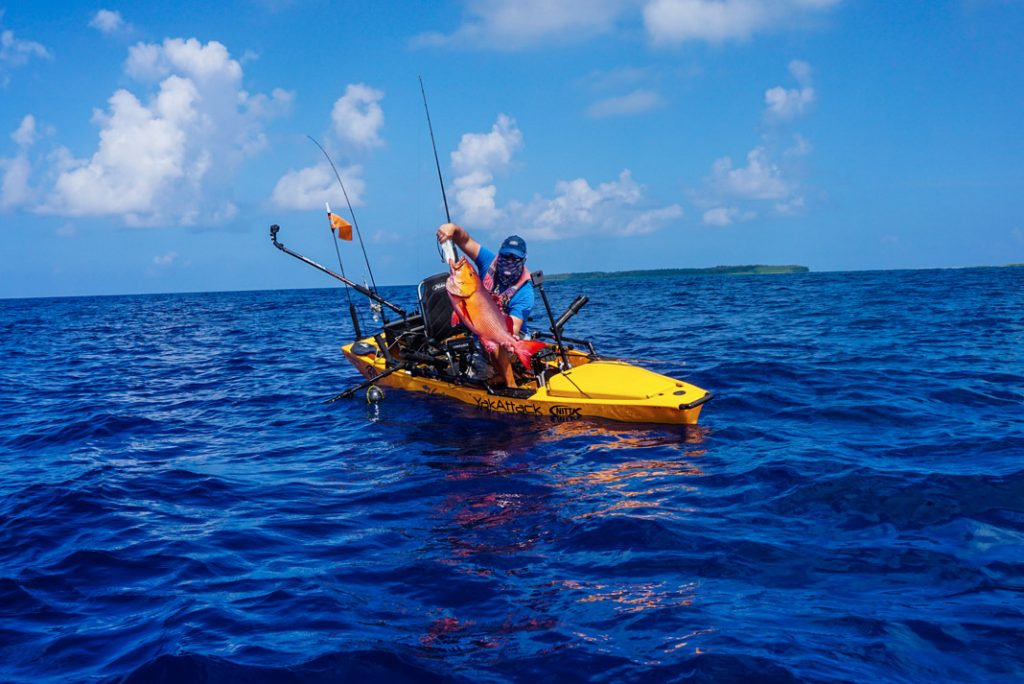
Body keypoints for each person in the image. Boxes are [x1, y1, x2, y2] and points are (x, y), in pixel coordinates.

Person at [436, 222, 535, 385]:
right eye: (505, 256)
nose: (509, 261)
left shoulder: (525, 292)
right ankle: (498, 373)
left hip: (511, 335)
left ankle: (510, 383)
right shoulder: (488, 261)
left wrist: (509, 341)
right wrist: (453, 229)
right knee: (470, 377)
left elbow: (514, 327)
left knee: (497, 341)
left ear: (523, 261)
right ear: (499, 254)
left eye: (515, 259)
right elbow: (465, 240)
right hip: (481, 335)